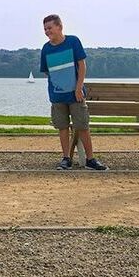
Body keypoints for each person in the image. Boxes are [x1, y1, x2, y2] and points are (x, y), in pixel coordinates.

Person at [40, 14, 107, 171]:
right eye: (44, 29)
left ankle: (91, 159)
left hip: (76, 95)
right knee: (62, 127)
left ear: (59, 26)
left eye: (49, 28)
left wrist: (78, 87)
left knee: (82, 126)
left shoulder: (73, 42)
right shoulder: (46, 48)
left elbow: (82, 65)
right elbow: (46, 71)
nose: (47, 31)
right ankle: (66, 158)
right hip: (57, 96)